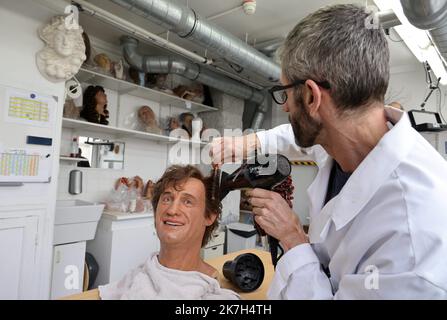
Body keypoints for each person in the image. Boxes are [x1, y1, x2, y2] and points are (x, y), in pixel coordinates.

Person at [210, 4, 447, 299]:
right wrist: (251, 142)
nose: (284, 107)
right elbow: (298, 136)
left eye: (285, 93)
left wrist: (294, 238)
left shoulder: (413, 234)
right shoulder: (342, 143)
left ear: (311, 95)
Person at [99, 165, 239, 300]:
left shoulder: (215, 292)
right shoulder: (131, 282)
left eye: (187, 202)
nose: (172, 210)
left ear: (208, 217)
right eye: (167, 199)